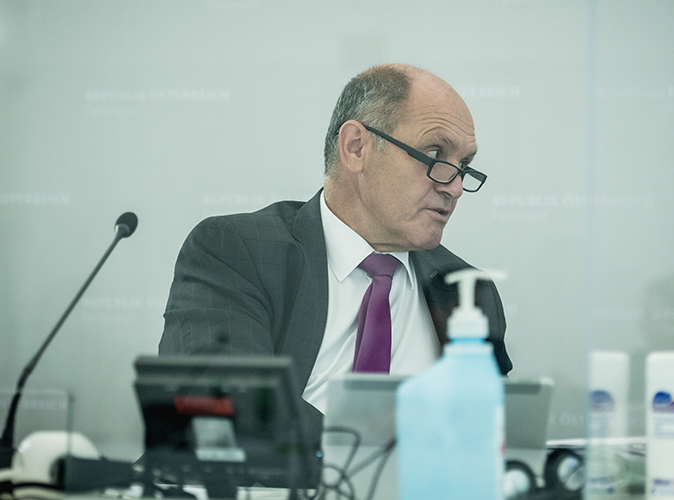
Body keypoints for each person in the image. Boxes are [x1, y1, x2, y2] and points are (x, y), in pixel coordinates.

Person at [159, 63, 512, 439]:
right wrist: (384, 453)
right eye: (436, 153)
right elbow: (224, 404)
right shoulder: (238, 250)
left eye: (463, 166)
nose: (454, 187)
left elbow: (492, 432)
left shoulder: (466, 290)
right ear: (356, 147)